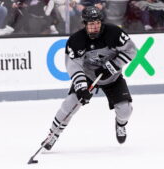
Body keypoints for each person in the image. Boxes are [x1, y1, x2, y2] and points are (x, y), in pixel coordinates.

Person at [41, 6, 137, 150]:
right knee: (70, 104)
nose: (95, 27)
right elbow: (73, 65)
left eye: (97, 23)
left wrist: (111, 67)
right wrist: (81, 87)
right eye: (91, 24)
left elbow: (131, 50)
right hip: (88, 77)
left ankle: (121, 124)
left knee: (125, 110)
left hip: (112, 77)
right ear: (84, 23)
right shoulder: (76, 40)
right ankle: (53, 134)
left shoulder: (114, 32)